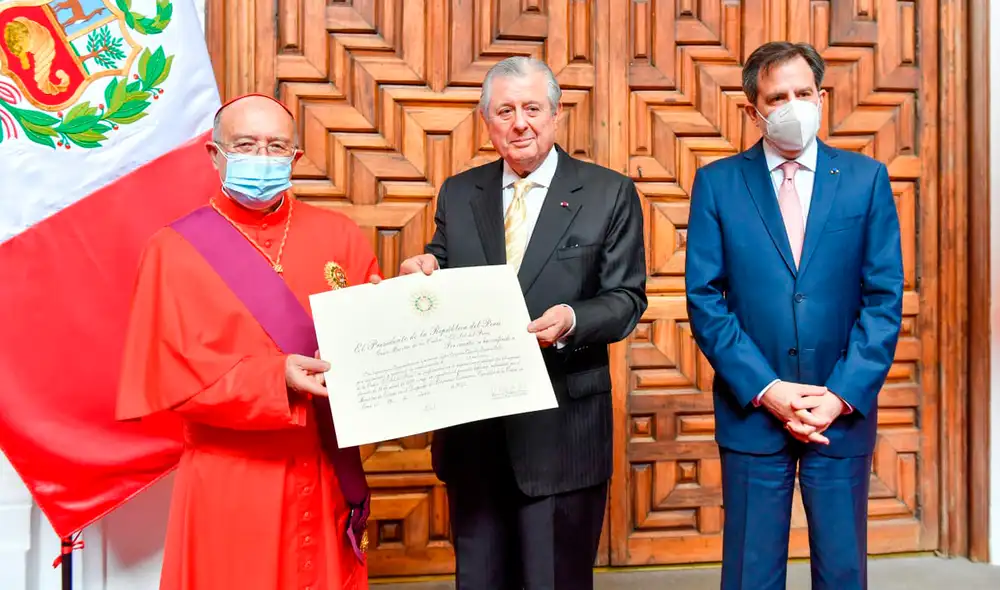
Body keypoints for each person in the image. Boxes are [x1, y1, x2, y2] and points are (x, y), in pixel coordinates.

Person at [390, 56, 647, 589]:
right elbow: (441, 260)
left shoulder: (608, 191)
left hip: (562, 432)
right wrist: (424, 267)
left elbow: (626, 298)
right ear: (487, 121)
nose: (519, 122)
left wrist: (574, 318)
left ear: (555, 115)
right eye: (504, 110)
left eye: (532, 108)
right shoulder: (461, 192)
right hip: (474, 436)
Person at [116, 94, 380, 590]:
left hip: (326, 471)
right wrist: (275, 376)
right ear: (216, 155)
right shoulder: (172, 251)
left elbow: (375, 337)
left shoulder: (340, 235)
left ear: (295, 158)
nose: (262, 158)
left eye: (276, 146)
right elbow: (167, 376)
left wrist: (419, 296)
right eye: (245, 145)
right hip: (231, 480)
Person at [685, 41, 904, 590]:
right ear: (752, 110)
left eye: (803, 93)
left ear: (822, 98)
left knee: (843, 570)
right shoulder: (717, 183)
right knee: (750, 573)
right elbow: (705, 300)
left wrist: (839, 394)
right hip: (754, 411)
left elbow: (884, 298)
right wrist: (768, 389)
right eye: (777, 97)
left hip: (840, 412)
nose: (793, 105)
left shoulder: (865, 178)